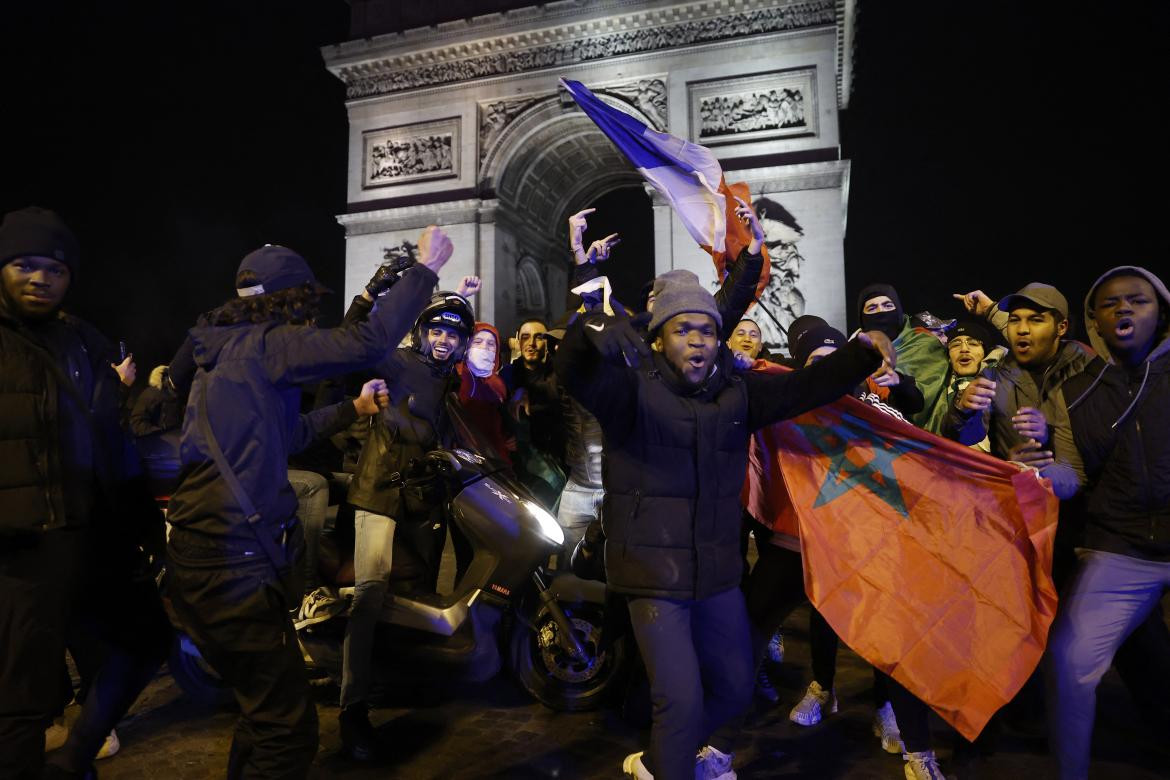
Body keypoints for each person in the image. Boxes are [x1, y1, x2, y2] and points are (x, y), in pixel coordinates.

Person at [555, 258, 895, 780]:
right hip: (653, 578)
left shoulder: (740, 395)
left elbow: (808, 387)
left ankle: (653, 763)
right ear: (659, 338)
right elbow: (574, 373)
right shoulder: (628, 392)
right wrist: (585, 331)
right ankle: (669, 763)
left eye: (708, 330)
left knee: (736, 688)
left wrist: (862, 353)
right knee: (681, 705)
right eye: (683, 329)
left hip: (716, 578)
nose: (697, 340)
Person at [165, 229, 451, 779]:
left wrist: (354, 408)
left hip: (204, 555)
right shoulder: (268, 344)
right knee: (287, 735)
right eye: (305, 303)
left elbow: (287, 436)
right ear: (289, 298)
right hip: (234, 561)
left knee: (260, 712)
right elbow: (367, 342)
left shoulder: (222, 358)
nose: (307, 318)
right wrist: (426, 269)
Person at [0, 206, 171, 779]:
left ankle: (74, 757)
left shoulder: (81, 340)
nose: (39, 278)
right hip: (19, 550)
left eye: (54, 268)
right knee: (21, 699)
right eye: (24, 264)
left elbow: (112, 435)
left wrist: (142, 524)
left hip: (89, 538)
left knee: (147, 639)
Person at [338, 282, 475, 760]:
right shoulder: (397, 363)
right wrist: (373, 292)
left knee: (411, 599)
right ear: (421, 333)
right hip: (378, 493)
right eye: (435, 330)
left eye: (453, 335)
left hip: (421, 502)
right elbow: (353, 338)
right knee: (370, 596)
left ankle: (393, 681)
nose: (443, 340)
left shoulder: (451, 382)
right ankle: (352, 711)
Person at [1047, 265, 1170, 780]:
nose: (1124, 309)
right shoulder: (1072, 393)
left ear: (1161, 311)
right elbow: (1072, 477)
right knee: (1068, 665)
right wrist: (1040, 470)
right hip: (1120, 550)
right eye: (1110, 302)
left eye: (1137, 300)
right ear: (1092, 320)